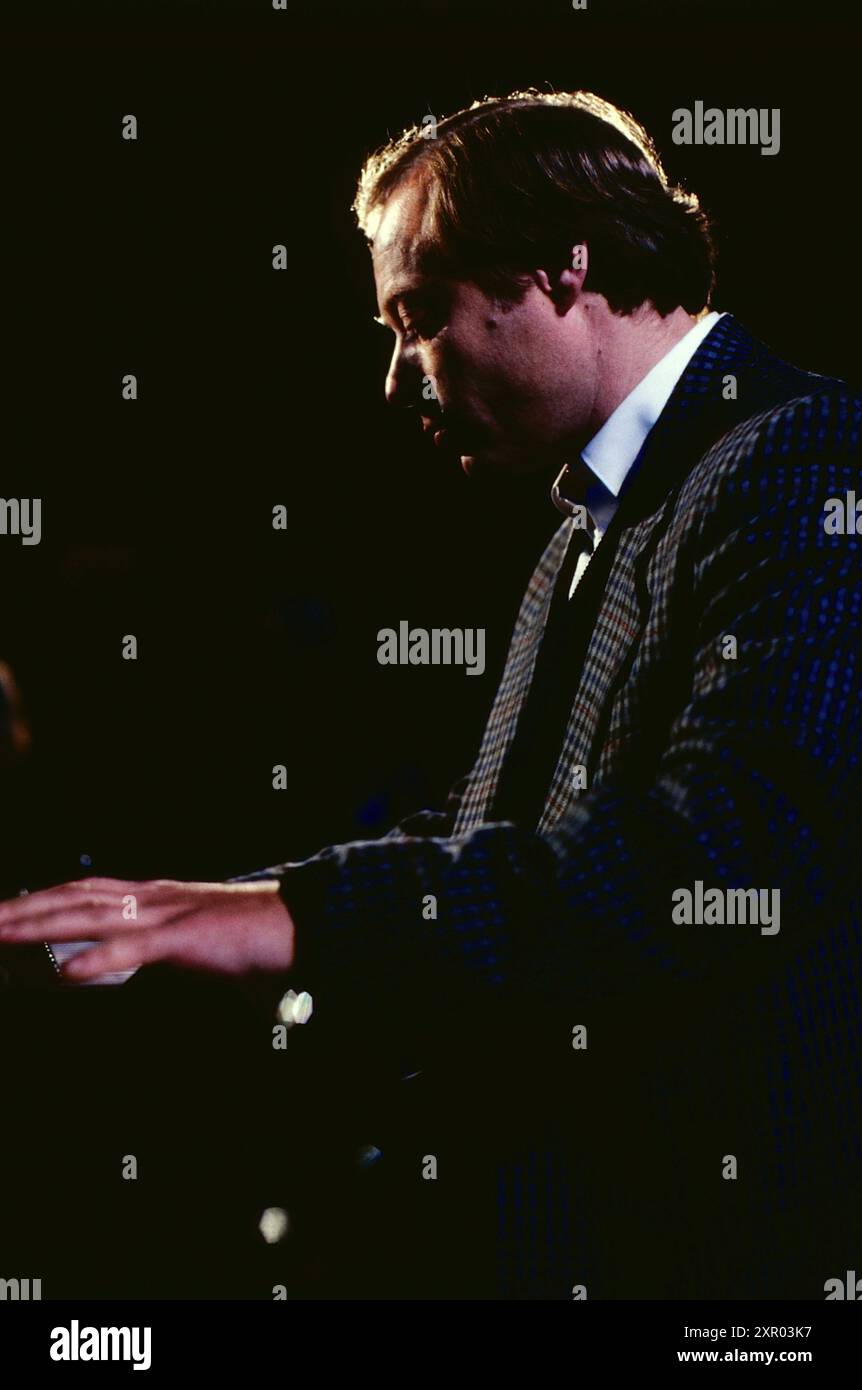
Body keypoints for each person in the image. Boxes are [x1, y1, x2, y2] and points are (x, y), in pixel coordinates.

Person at [1, 89, 860, 1299]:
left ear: (560, 268)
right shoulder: (597, 519)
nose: (397, 379)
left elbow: (727, 848)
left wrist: (306, 922)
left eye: (416, 319)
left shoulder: (804, 455)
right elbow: (500, 838)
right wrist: (224, 905)